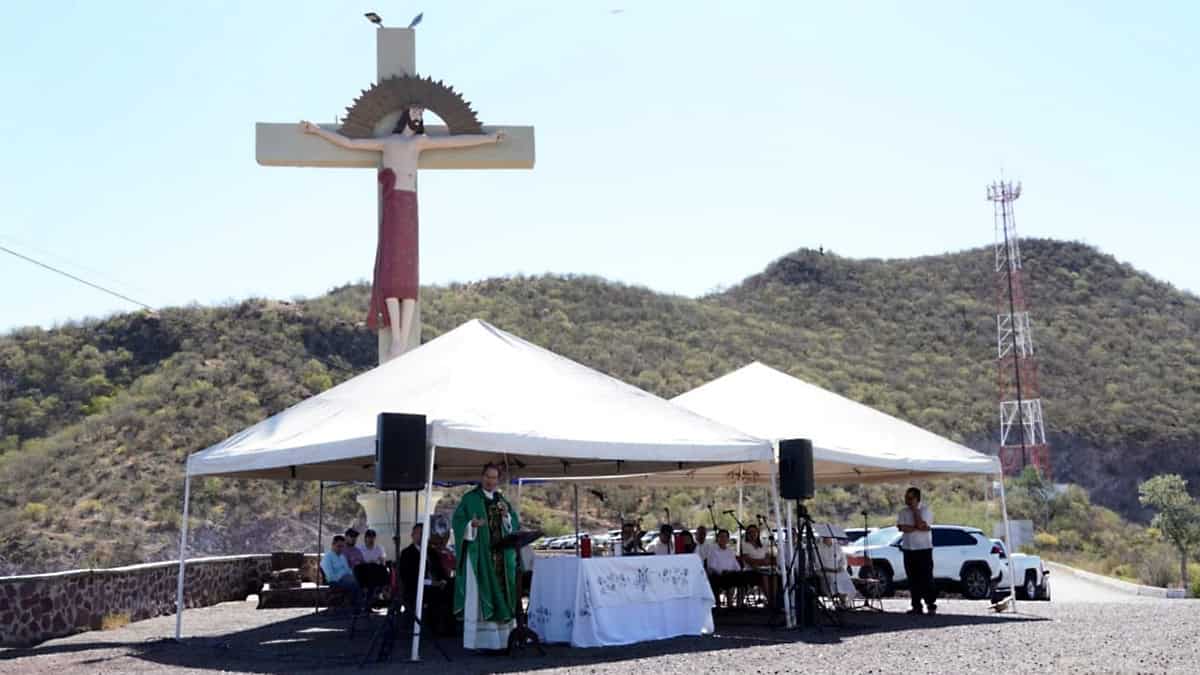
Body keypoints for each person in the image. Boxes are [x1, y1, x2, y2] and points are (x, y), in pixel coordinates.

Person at [300, 111, 505, 361]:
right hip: (395, 202)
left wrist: (489, 138)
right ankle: (396, 338)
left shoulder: (421, 142)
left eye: (421, 113)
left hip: (409, 203)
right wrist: (317, 131)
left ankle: (402, 338)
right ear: (406, 115)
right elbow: (351, 143)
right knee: (393, 270)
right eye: (415, 112)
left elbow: (456, 141)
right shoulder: (389, 142)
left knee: (408, 277)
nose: (418, 117)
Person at [452, 462, 520, 650]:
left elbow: (514, 523)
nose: (491, 481)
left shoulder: (501, 500)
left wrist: (507, 516)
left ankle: (505, 640)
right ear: (482, 477)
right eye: (488, 477)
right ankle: (483, 642)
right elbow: (457, 522)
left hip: (501, 557)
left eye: (494, 478)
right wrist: (470, 526)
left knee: (505, 592)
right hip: (480, 556)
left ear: (498, 480)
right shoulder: (470, 499)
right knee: (482, 595)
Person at [897, 486, 936, 615]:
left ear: (917, 498)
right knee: (912, 579)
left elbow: (923, 525)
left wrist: (915, 512)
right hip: (909, 549)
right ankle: (916, 606)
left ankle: (930, 604)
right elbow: (903, 528)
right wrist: (917, 527)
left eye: (910, 498)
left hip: (924, 549)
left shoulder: (925, 511)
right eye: (906, 498)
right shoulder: (903, 512)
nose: (907, 500)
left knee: (926, 578)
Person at [320, 535, 363, 613]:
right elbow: (330, 575)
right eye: (339, 546)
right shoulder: (327, 557)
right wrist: (344, 577)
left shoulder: (342, 557)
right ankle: (356, 607)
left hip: (346, 579)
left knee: (359, 581)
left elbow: (348, 570)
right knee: (354, 584)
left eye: (342, 546)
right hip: (335, 581)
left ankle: (361, 606)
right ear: (333, 545)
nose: (341, 549)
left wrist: (351, 576)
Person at [706, 530, 746, 608]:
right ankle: (727, 606)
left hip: (731, 574)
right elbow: (711, 566)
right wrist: (722, 572)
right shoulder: (713, 550)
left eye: (725, 537)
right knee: (727, 579)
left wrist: (738, 571)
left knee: (743, 578)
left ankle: (739, 605)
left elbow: (736, 565)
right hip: (719, 576)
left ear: (728, 539)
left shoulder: (730, 551)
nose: (723, 539)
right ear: (717, 538)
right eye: (721, 537)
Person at [740, 524, 777, 608]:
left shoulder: (763, 545)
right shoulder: (745, 545)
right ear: (747, 534)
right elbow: (749, 560)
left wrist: (760, 562)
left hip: (764, 568)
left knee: (774, 575)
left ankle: (774, 600)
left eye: (754, 532)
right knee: (764, 576)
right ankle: (770, 602)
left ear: (757, 533)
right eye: (750, 532)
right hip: (750, 570)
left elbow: (768, 559)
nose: (752, 534)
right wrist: (762, 561)